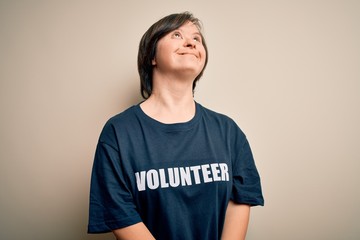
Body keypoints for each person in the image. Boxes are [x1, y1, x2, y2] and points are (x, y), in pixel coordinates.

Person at [88, 12, 264, 240]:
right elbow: (120, 214)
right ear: (152, 56)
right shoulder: (119, 133)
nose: (191, 42)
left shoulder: (229, 132)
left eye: (197, 39)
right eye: (177, 35)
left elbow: (241, 200)